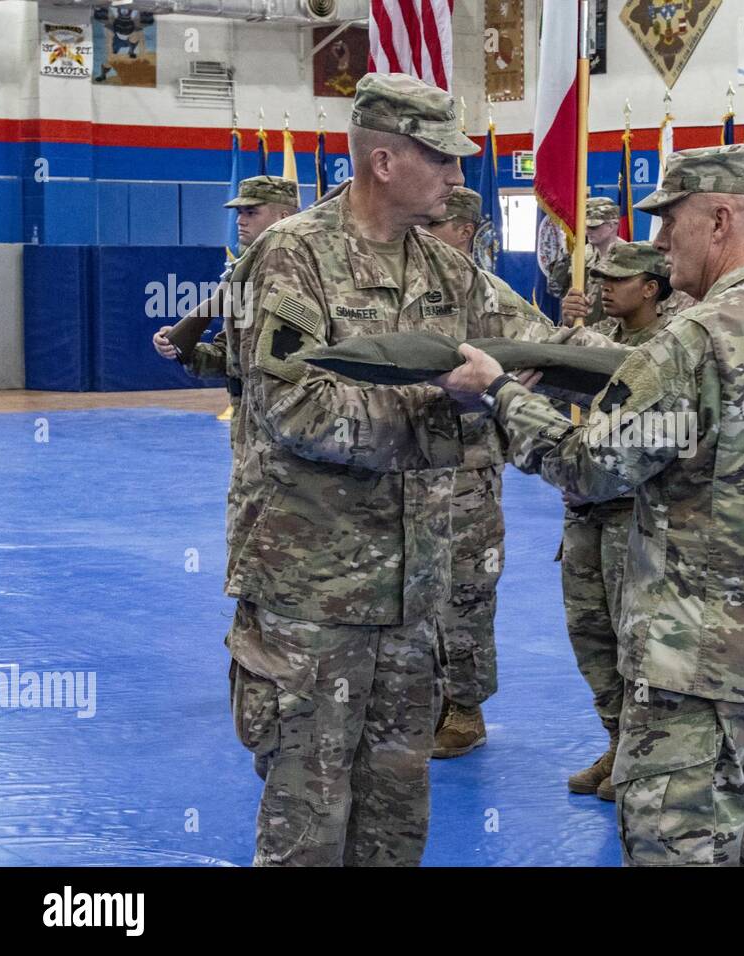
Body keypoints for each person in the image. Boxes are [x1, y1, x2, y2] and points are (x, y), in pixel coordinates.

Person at [438, 143, 744, 866]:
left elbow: (590, 468)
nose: (656, 242)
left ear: (719, 220)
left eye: (669, 221)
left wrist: (502, 395)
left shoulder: (690, 344)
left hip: (698, 677)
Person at [221, 72, 508, 867]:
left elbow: (537, 344)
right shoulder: (291, 259)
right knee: (308, 824)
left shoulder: (448, 272)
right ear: (385, 161)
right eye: (443, 158)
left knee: (392, 825)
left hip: (411, 601)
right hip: (309, 600)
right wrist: (452, 421)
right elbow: (298, 412)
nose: (459, 175)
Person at [424, 186, 555, 758]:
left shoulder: (486, 294)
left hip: (467, 473)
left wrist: (502, 389)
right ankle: (421, 698)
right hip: (405, 470)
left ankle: (465, 706)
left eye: (435, 228)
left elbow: (543, 349)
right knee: (414, 591)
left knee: (466, 594)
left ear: (461, 232)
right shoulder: (403, 289)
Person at [559, 241, 676, 802]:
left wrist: (585, 345)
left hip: (633, 512)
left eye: (618, 278)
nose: (603, 285)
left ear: (651, 287)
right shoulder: (606, 336)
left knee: (635, 638)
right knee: (590, 631)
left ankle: (641, 751)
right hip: (586, 508)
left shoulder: (670, 346)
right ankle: (616, 736)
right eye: (601, 276)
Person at [151, 175, 301, 415]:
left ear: (284, 217)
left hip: (290, 416)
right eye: (239, 212)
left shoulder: (306, 275)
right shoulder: (241, 276)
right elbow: (228, 356)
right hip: (246, 421)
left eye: (251, 213)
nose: (240, 221)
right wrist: (184, 349)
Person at [552, 196, 621, 327]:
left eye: (593, 226)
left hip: (612, 339)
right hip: (582, 334)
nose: (587, 231)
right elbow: (557, 289)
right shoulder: (579, 257)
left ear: (612, 225)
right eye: (585, 225)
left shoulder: (628, 259)